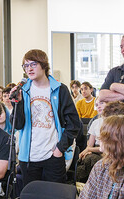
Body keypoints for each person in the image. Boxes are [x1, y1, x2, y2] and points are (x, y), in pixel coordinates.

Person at [11, 49, 81, 186]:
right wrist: (17, 103)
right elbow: (18, 125)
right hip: (29, 157)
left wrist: (59, 149)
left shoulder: (60, 89)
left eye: (33, 64)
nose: (29, 69)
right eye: (26, 65)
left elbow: (74, 124)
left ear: (43, 65)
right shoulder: (23, 90)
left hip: (53, 155)